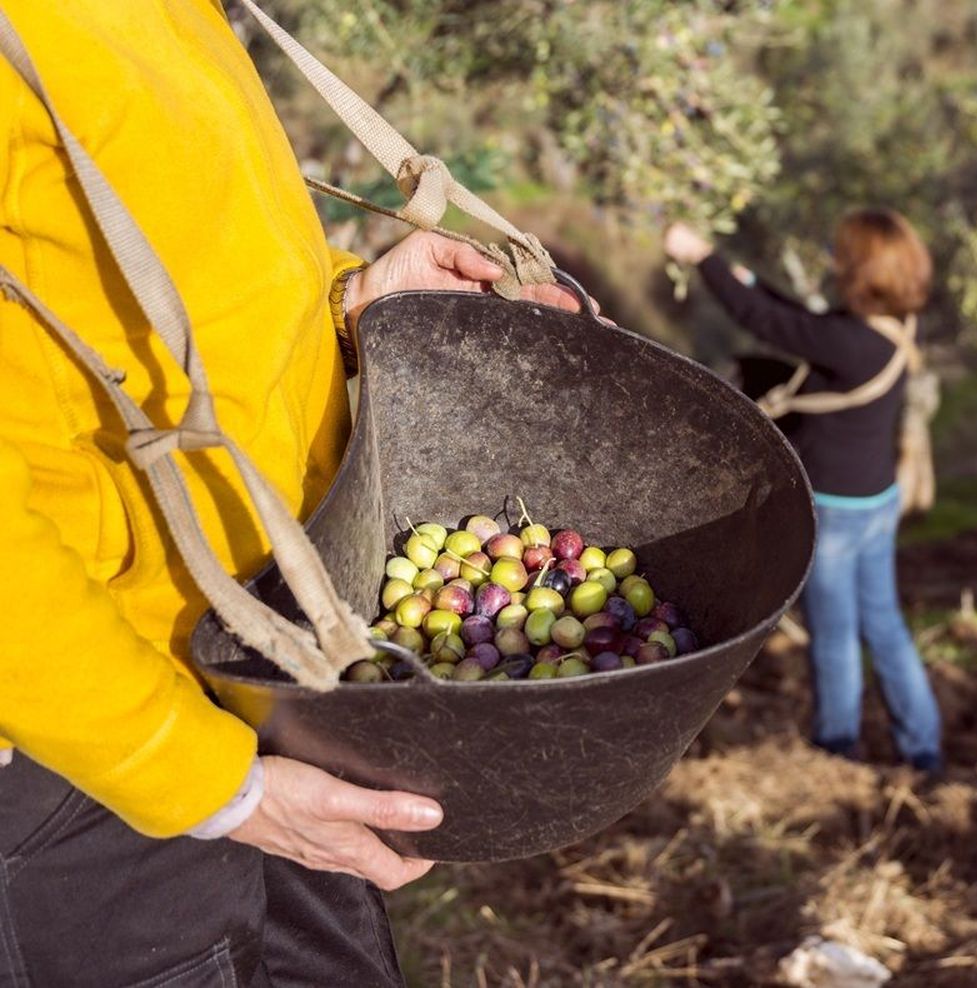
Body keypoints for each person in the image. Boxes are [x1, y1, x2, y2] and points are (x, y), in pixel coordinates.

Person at [0, 3, 583, 984]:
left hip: (271, 672)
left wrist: (354, 305)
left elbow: (166, 280)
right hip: (91, 754)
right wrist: (206, 783)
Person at [664, 210, 944, 775]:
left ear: (863, 272)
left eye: (844, 256)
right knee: (883, 623)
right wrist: (731, 267)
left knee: (835, 635)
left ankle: (837, 749)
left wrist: (702, 260)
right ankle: (923, 747)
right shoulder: (891, 327)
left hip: (836, 511)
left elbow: (769, 322)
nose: (835, 262)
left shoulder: (848, 341)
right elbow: (792, 316)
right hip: (877, 502)